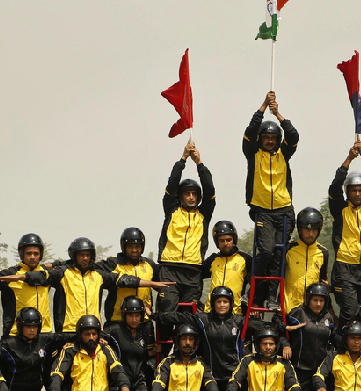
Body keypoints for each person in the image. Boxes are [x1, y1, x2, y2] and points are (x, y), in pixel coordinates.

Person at [0, 237, 172, 333]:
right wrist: (21, 277)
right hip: (68, 331)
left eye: (87, 255)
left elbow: (125, 279)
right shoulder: (63, 273)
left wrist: (152, 283)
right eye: (81, 255)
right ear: (74, 256)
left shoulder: (98, 275)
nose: (84, 258)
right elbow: (41, 275)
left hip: (92, 330)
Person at [242, 91, 299, 306]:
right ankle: (251, 290)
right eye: (265, 137)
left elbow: (294, 136)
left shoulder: (284, 153)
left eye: (273, 138)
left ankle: (271, 298)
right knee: (265, 250)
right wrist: (264, 106)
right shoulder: (253, 154)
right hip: (262, 210)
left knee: (278, 254)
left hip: (284, 210)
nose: (269, 141)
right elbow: (248, 132)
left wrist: (279, 115)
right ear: (261, 139)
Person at [157, 141, 216, 314]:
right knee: (167, 314)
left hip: (193, 272)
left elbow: (210, 189)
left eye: (194, 194)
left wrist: (199, 163)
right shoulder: (171, 209)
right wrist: (183, 159)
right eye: (187, 193)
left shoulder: (203, 214)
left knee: (189, 318)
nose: (191, 197)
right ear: (180, 195)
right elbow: (172, 184)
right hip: (169, 269)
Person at [328, 136, 361, 329]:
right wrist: (348, 160)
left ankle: (360, 354)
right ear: (347, 192)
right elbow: (334, 188)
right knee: (349, 312)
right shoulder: (340, 209)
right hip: (344, 268)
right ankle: (343, 351)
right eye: (353, 190)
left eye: (360, 190)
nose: (357, 194)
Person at [283, 283, 338, 391]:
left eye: (321, 300)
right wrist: (285, 345)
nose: (318, 304)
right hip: (299, 372)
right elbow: (278, 327)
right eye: (315, 300)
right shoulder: (297, 313)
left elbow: (334, 341)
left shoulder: (328, 318)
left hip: (320, 376)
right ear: (308, 299)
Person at [99, 227, 159, 329]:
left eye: (137, 246)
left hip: (144, 323)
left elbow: (161, 286)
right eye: (130, 246)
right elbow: (92, 271)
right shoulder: (113, 264)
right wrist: (120, 279)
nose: (134, 250)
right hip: (117, 322)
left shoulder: (149, 264)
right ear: (123, 246)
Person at [283, 207, 329, 314]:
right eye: (307, 230)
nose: (311, 234)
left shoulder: (323, 252)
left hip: (312, 314)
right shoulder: (288, 249)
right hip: (288, 311)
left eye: (314, 230)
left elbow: (323, 283)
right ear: (300, 229)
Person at [203, 220, 251, 315]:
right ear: (217, 242)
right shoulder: (212, 260)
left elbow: (258, 283)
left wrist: (255, 302)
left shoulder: (245, 259)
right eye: (222, 241)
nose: (225, 244)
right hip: (211, 313)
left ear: (234, 240)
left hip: (236, 313)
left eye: (228, 240)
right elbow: (195, 277)